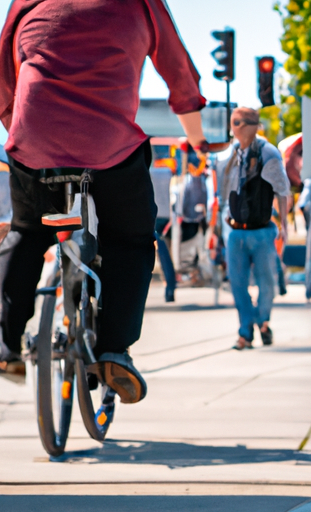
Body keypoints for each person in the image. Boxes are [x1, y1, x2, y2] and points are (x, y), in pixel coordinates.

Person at [0, 0, 209, 403]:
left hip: (34, 142)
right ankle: (114, 350)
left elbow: (4, 81)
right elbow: (181, 79)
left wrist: (24, 130)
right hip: (107, 147)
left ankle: (5, 342)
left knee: (27, 232)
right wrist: (197, 140)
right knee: (130, 241)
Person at [223, 108, 290, 350]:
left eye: (238, 123)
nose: (234, 128)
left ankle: (262, 321)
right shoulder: (231, 153)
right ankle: (246, 330)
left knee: (267, 283)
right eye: (233, 122)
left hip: (262, 231)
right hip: (235, 231)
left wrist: (284, 224)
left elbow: (282, 190)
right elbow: (224, 192)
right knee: (237, 283)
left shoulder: (268, 152)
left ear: (252, 125)